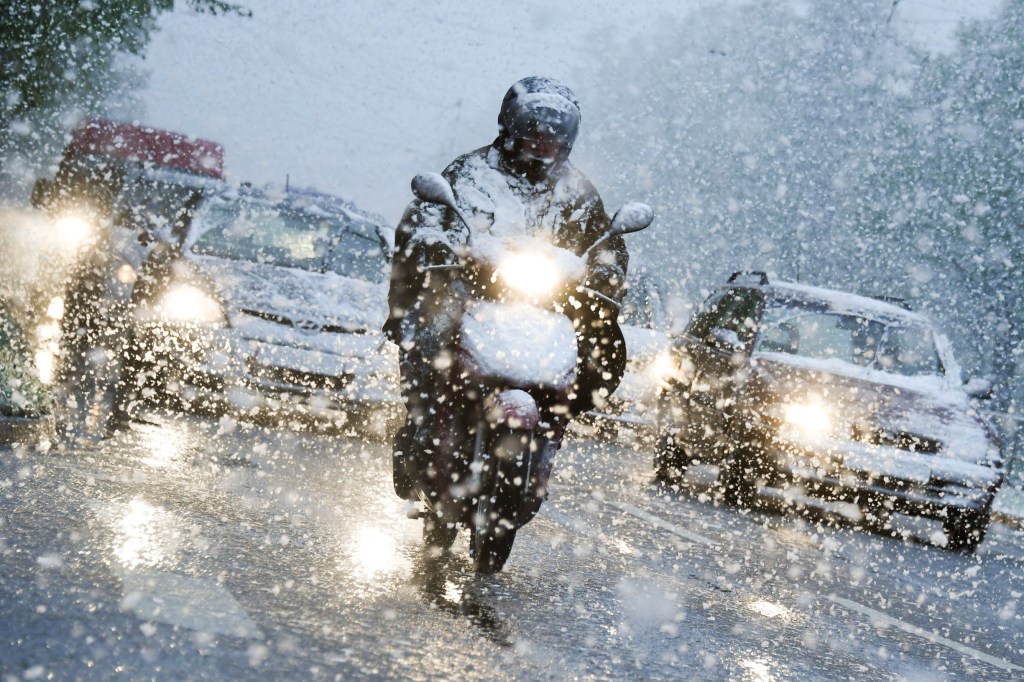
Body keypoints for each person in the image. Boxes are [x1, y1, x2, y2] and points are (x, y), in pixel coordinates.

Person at [384, 76, 629, 499]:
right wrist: (434, 246)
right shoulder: (469, 173)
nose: (543, 141)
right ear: (510, 125)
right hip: (471, 291)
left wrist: (605, 273)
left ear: (568, 139)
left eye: (554, 134)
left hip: (546, 303)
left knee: (600, 339)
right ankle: (421, 426)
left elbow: (606, 245)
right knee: (429, 328)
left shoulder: (579, 192)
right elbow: (425, 220)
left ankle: (557, 422)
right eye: (534, 129)